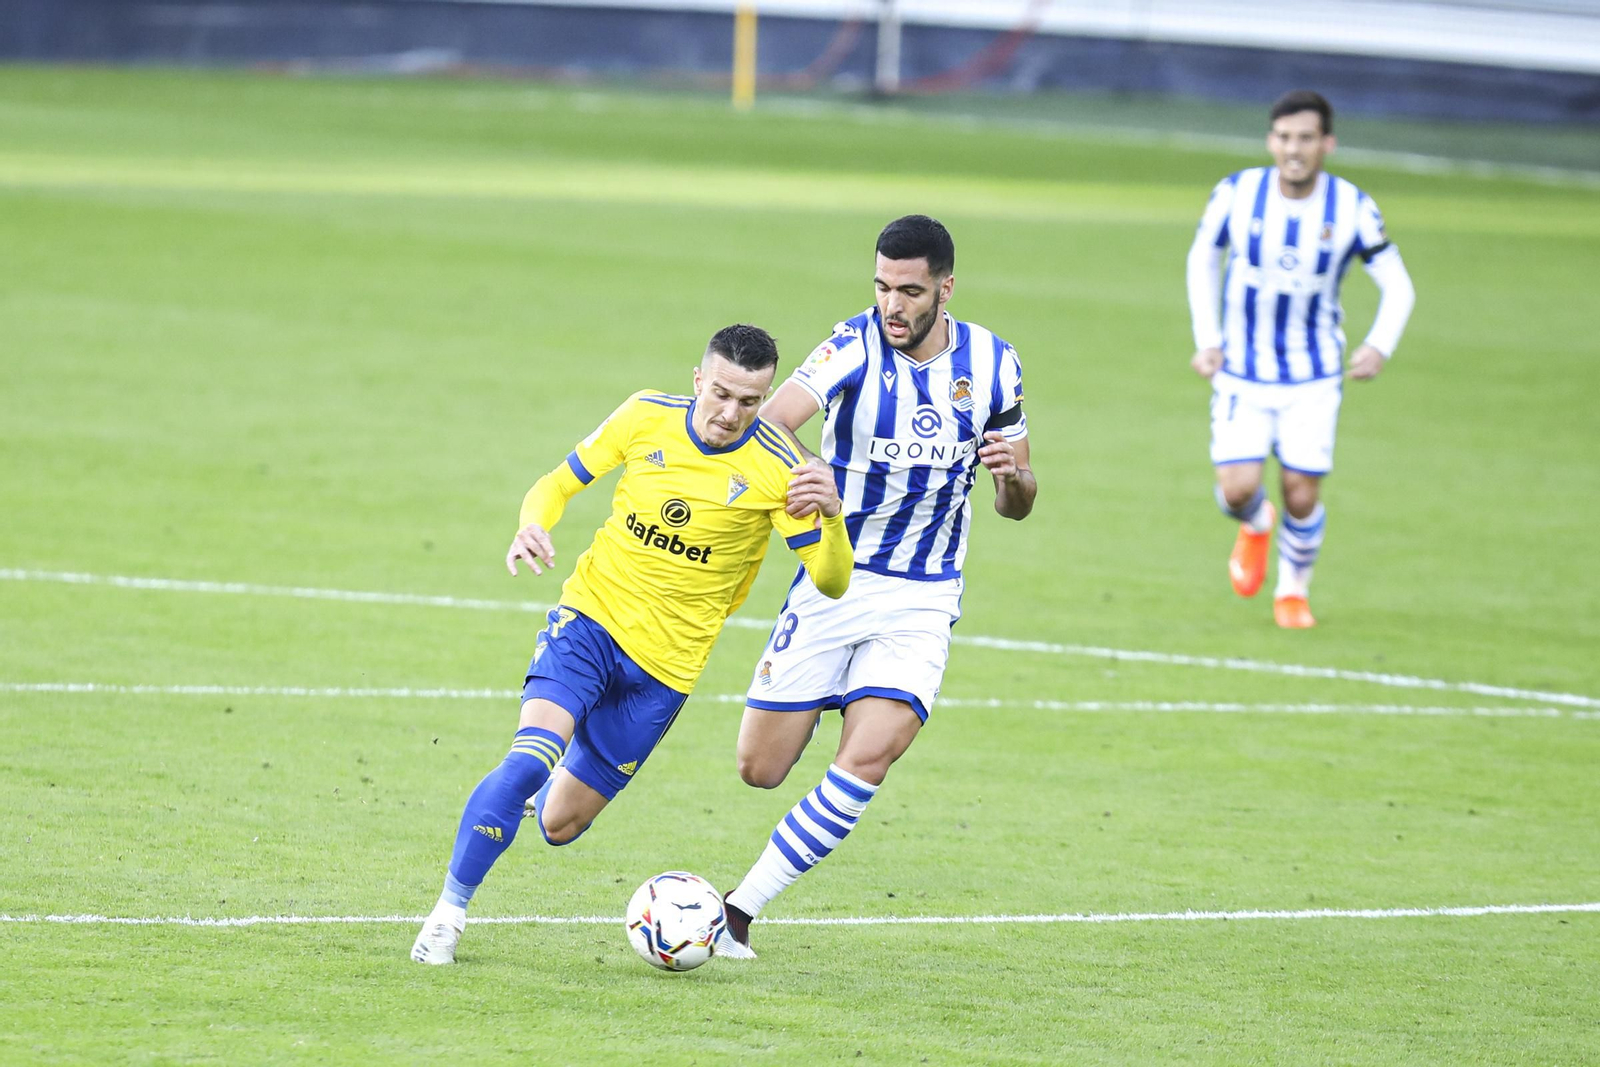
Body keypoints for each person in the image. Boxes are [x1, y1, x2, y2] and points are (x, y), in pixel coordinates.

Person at [411, 324, 853, 964]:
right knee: (528, 759)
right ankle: (447, 917)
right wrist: (531, 524)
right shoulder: (646, 415)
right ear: (699, 379)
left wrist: (832, 517)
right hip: (590, 621)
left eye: (750, 402)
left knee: (560, 826)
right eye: (721, 394)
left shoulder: (783, 469)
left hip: (666, 670)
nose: (732, 414)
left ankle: (546, 782)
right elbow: (556, 483)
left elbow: (833, 580)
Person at [713, 215, 1037, 958]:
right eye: (884, 287)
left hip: (924, 595)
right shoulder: (852, 342)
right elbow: (773, 423)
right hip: (835, 581)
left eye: (910, 290)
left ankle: (740, 910)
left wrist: (1013, 479)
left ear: (945, 289)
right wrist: (809, 468)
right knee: (759, 769)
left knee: (870, 755)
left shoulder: (995, 363)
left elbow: (1019, 500)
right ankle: (833, 688)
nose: (893, 304)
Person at [1187, 89, 1416, 628]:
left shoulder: (1352, 207)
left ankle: (1292, 590)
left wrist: (1379, 344)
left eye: (1306, 138)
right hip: (1243, 368)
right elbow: (1203, 259)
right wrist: (1208, 337)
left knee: (1301, 490)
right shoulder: (1237, 193)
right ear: (1271, 141)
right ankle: (1255, 524)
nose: (1295, 149)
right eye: (1285, 137)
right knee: (1236, 490)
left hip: (1313, 376)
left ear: (1326, 144)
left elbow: (1399, 287)